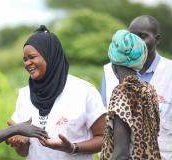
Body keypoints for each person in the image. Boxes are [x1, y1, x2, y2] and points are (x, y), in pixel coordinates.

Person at [6, 25, 106, 160]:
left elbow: (105, 138)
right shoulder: (24, 95)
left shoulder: (83, 91)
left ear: (50, 56)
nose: (27, 63)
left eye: (32, 57)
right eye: (25, 59)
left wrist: (73, 147)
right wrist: (20, 143)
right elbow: (24, 152)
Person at [101, 15, 172, 160]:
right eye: (132, 36)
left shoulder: (121, 93)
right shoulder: (148, 89)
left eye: (142, 36)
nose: (136, 42)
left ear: (157, 39)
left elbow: (121, 154)